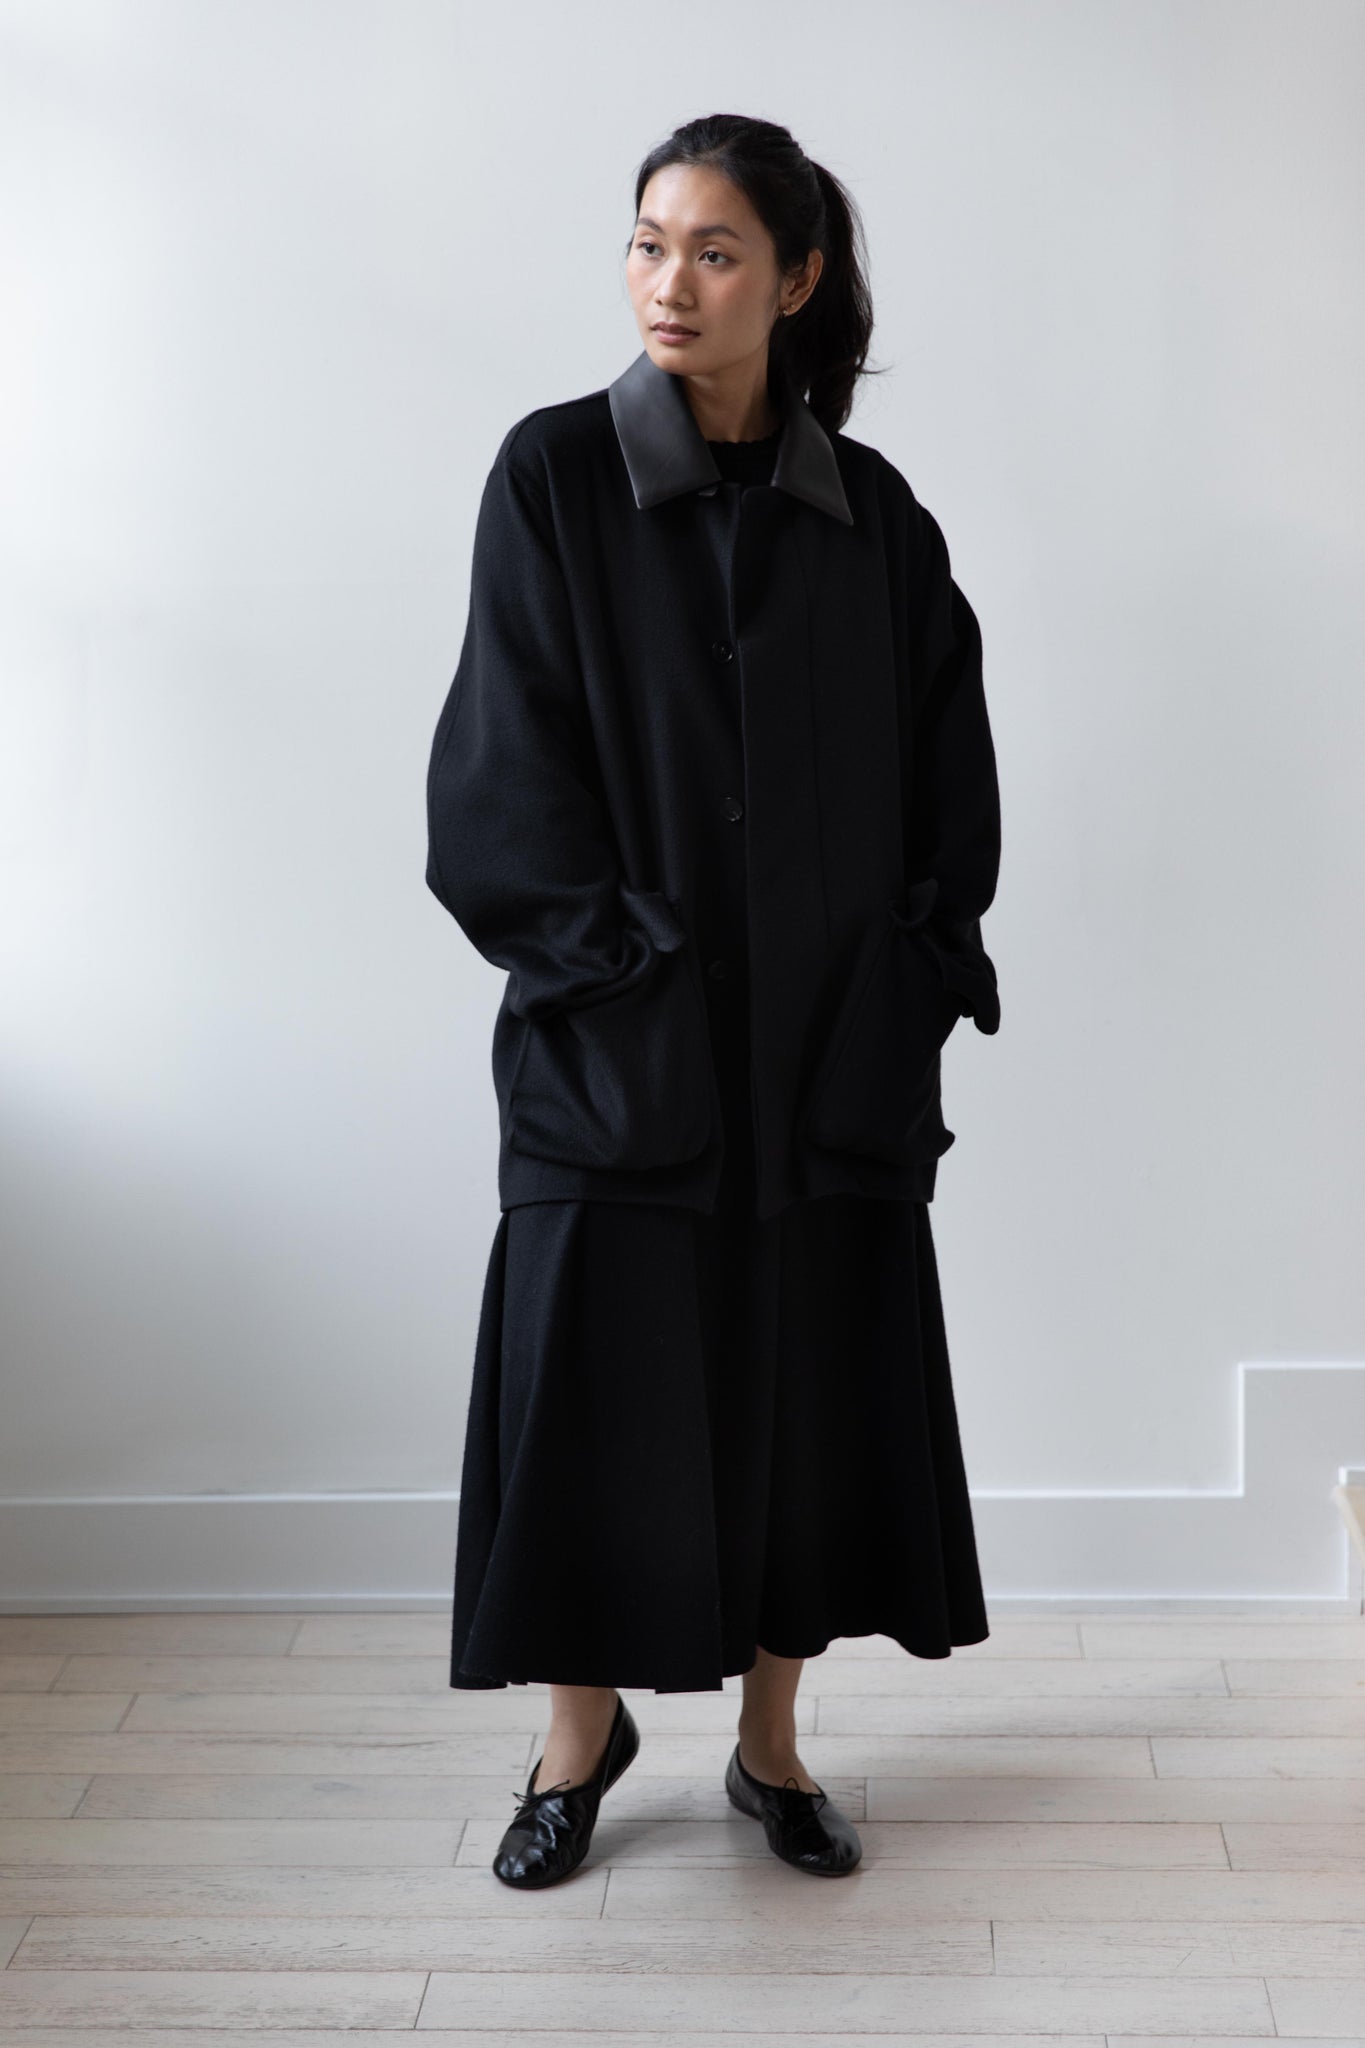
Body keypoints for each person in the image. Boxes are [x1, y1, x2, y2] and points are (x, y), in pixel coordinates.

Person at [424, 112, 1003, 1890]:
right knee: (587, 1391)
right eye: (647, 242)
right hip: (622, 1056)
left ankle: (770, 1747)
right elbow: (502, 776)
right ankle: (573, 1741)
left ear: (796, 278)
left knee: (802, 1400)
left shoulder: (873, 521)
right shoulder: (553, 477)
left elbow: (948, 782)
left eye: (715, 250)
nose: (668, 281)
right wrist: (621, 980)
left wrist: (910, 976)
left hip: (826, 1058)